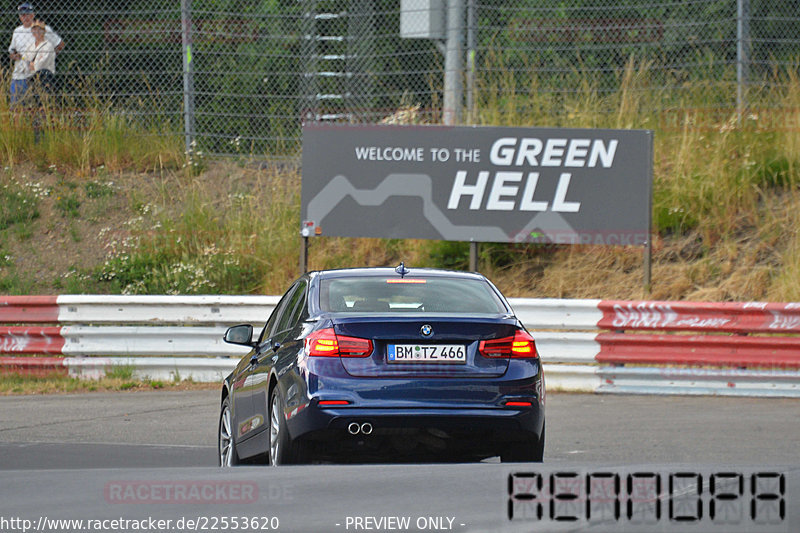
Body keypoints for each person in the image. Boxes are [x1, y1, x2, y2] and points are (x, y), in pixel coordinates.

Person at [7, 3, 64, 104]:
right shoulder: (17, 31)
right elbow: (12, 50)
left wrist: (46, 58)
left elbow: (60, 44)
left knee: (37, 107)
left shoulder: (43, 29)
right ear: (19, 17)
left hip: (37, 76)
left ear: (33, 14)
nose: (25, 17)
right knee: (16, 107)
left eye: (28, 14)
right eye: (22, 15)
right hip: (19, 74)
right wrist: (14, 56)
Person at [23, 19, 55, 94]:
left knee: (43, 98)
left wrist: (33, 64)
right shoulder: (30, 46)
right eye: (34, 29)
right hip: (31, 77)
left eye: (39, 29)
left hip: (45, 77)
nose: (36, 31)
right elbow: (24, 58)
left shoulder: (48, 46)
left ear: (44, 31)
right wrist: (29, 64)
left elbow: (43, 63)